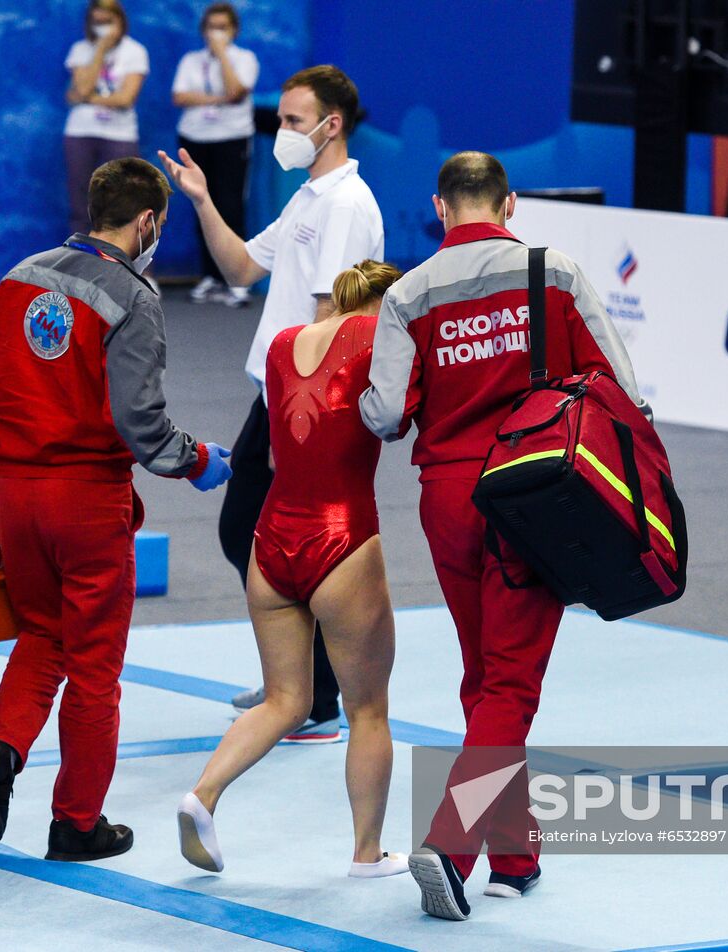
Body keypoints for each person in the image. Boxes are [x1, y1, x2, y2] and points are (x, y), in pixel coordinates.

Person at [359, 152, 646, 920]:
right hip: (536, 492)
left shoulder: (409, 293)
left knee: (486, 674)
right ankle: (453, 849)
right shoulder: (556, 274)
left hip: (448, 498)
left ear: (439, 207)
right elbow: (622, 388)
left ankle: (515, 858)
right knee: (510, 682)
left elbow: (385, 417)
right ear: (510, 204)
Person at [0, 157, 232, 862]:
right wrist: (196, 462)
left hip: (16, 494)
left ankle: (0, 755)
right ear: (146, 222)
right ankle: (76, 823)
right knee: (96, 668)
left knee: (41, 637)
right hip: (87, 503)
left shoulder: (20, 277)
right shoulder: (133, 297)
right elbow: (140, 422)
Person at [159, 64, 383, 744]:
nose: (282, 132)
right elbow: (241, 269)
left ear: (330, 124)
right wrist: (201, 199)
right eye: (282, 119)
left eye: (292, 121)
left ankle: (312, 700)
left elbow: (329, 320)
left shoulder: (346, 206)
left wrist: (299, 420)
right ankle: (297, 684)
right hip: (278, 396)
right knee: (249, 536)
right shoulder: (308, 198)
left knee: (278, 543)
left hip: (306, 406)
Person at [177, 260, 409, 879]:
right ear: (387, 305)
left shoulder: (282, 345)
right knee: (367, 710)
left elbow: (285, 441)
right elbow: (400, 418)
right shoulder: (381, 339)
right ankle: (367, 855)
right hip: (343, 538)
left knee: (284, 698)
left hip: (273, 539)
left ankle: (202, 794)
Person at [172, 2, 259, 307]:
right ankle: (210, 275)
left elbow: (237, 92)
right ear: (203, 30)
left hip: (232, 139)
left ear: (233, 30)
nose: (216, 33)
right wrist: (218, 98)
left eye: (223, 27)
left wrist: (221, 54)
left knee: (231, 206)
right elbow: (179, 96)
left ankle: (236, 280)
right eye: (212, 27)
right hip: (195, 137)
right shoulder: (191, 60)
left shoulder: (245, 58)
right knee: (202, 205)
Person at [64, 0, 150, 234]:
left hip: (119, 134)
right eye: (97, 22)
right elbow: (80, 90)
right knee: (82, 200)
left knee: (127, 199)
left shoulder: (135, 51)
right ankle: (82, 263)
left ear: (120, 21)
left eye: (108, 22)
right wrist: (100, 49)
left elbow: (125, 99)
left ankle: (134, 264)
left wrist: (85, 98)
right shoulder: (80, 50)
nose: (103, 27)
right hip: (80, 133)